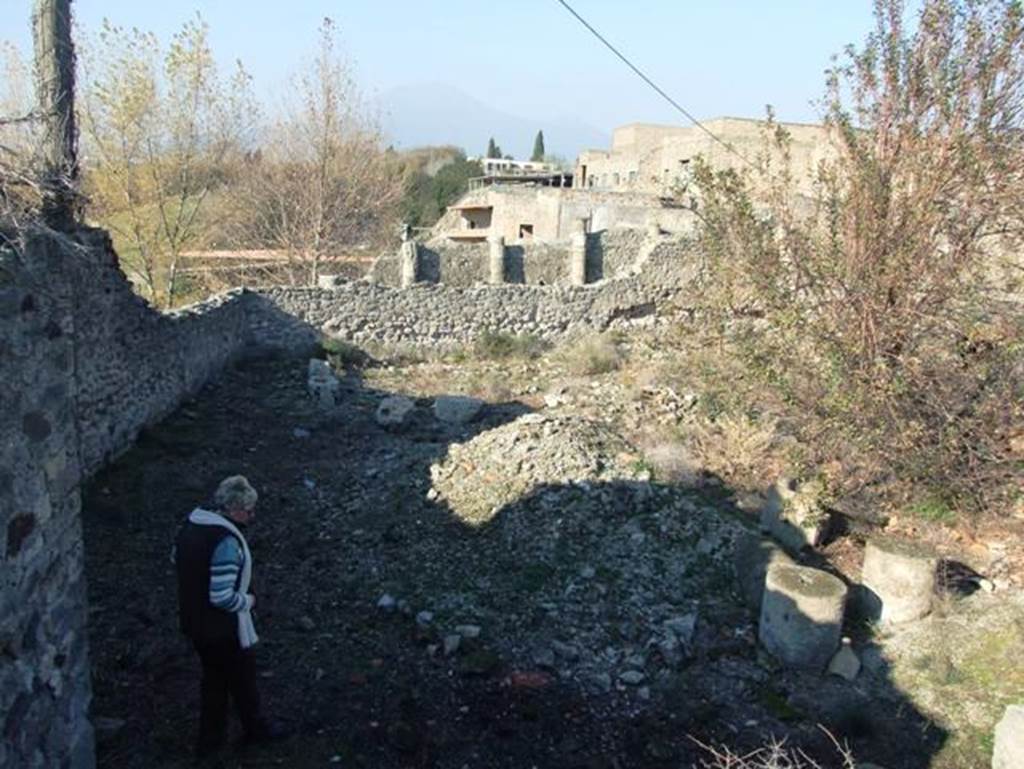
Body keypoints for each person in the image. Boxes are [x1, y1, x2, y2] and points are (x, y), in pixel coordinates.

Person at [174, 475, 286, 759]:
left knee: (213, 680)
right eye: (249, 510)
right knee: (242, 680)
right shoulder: (226, 541)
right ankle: (255, 729)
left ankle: (210, 740)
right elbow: (221, 597)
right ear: (235, 509)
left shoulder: (192, 527)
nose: (251, 516)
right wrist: (248, 601)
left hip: (195, 623)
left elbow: (176, 558)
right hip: (223, 629)